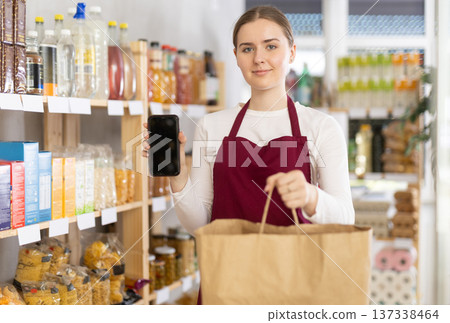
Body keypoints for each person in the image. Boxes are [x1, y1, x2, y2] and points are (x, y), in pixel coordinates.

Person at [143, 6, 354, 236]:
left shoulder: (321, 127)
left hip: (295, 268)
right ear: (236, 56)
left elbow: (345, 220)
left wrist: (311, 196)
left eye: (270, 46)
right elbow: (200, 226)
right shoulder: (211, 126)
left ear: (292, 52)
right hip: (227, 268)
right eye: (247, 49)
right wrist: (179, 173)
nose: (258, 59)